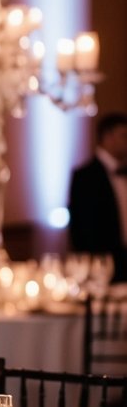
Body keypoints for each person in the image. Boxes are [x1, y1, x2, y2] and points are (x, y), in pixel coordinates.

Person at [67, 112, 127, 282]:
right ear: (107, 137)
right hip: (102, 265)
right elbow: (82, 229)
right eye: (124, 135)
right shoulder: (85, 176)